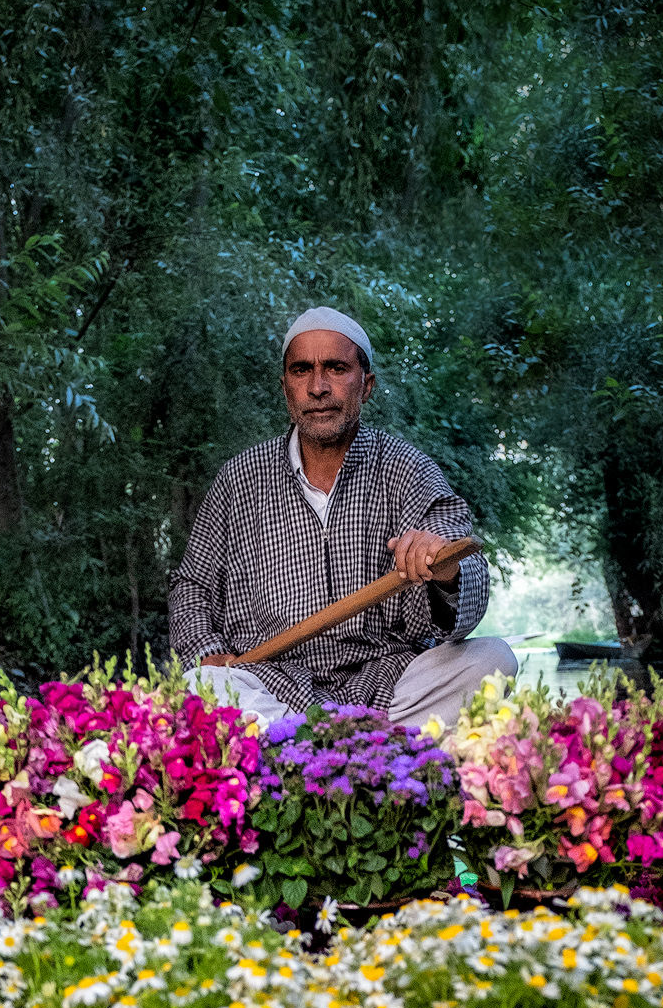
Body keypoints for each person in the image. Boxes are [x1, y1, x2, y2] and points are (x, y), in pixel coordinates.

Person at [168, 306, 517, 727]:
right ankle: (367, 745)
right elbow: (192, 586)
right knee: (200, 683)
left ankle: (307, 746)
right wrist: (207, 652)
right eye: (302, 371)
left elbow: (459, 556)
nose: (317, 387)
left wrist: (443, 567)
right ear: (285, 388)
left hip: (389, 680)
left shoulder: (408, 468)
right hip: (270, 683)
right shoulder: (239, 477)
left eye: (336, 368)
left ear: (366, 385)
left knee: (492, 659)